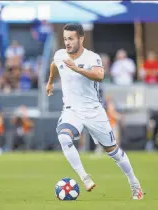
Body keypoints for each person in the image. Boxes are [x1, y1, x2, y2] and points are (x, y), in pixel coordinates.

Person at [46, 23, 143, 200]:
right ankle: (84, 177)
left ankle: (134, 183)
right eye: (65, 39)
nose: (67, 43)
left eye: (71, 39)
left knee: (113, 151)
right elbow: (54, 65)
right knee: (64, 137)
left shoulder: (91, 58)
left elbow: (99, 75)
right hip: (71, 110)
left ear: (81, 39)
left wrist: (77, 69)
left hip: (93, 111)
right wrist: (51, 81)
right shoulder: (60, 55)